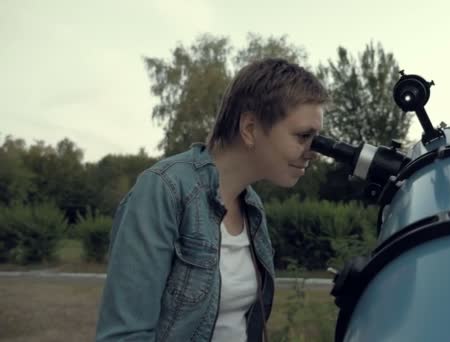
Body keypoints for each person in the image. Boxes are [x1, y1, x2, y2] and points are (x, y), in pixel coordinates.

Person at [95, 58, 329, 342]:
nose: (313, 152)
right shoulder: (163, 189)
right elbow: (124, 336)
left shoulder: (252, 208)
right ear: (250, 129)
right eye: (304, 136)